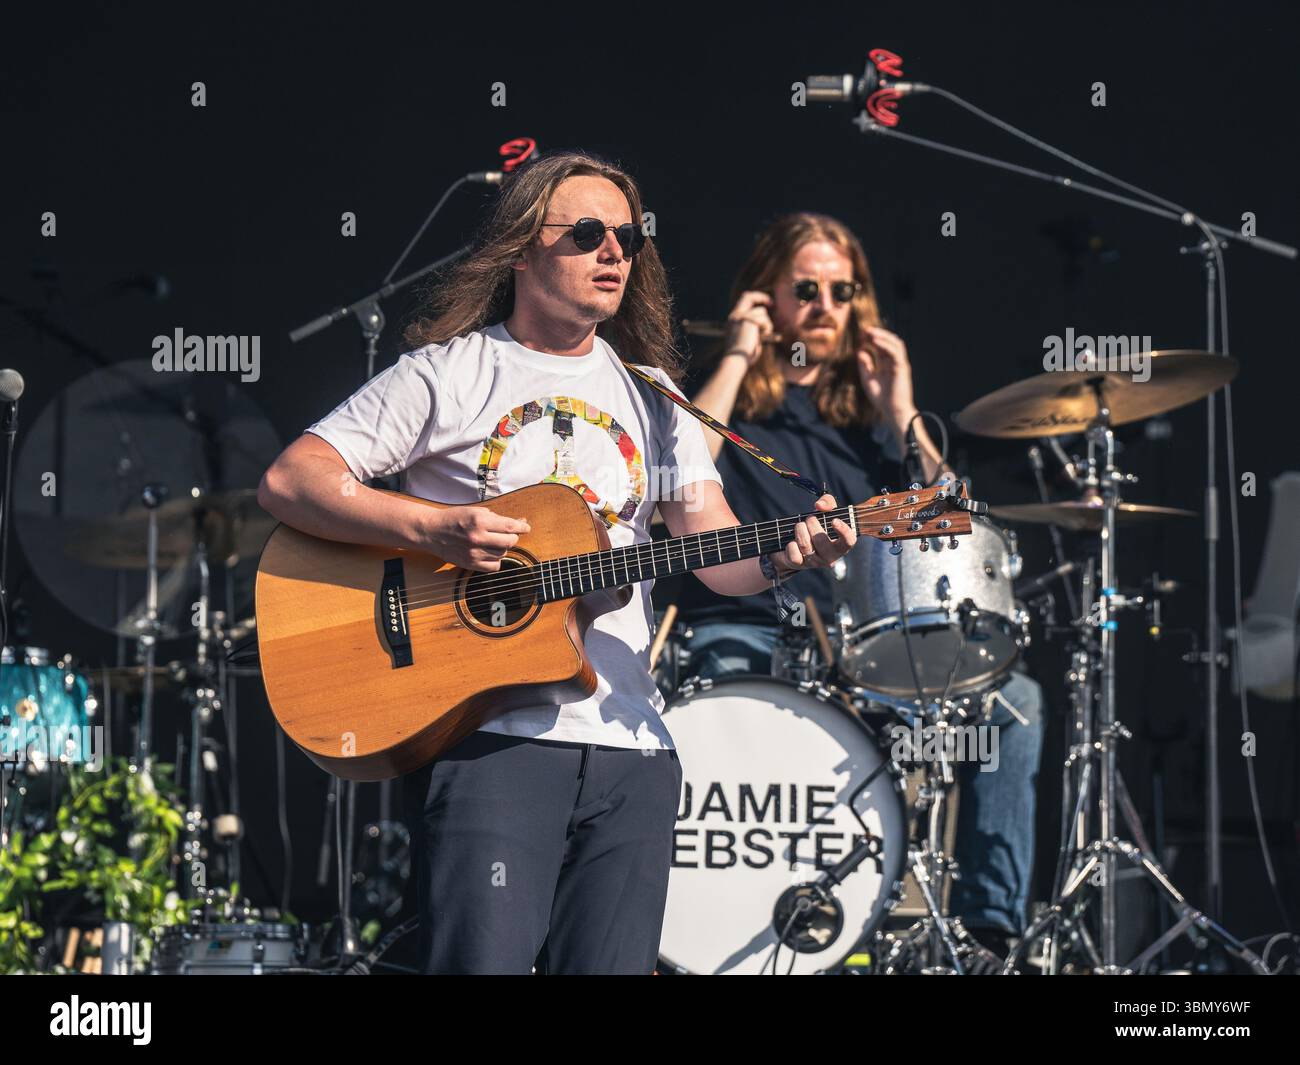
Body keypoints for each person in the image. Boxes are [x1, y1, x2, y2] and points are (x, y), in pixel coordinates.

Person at [255, 156, 859, 974]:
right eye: (585, 234)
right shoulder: (451, 371)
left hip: (633, 747)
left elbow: (716, 553)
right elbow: (293, 480)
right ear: (520, 251)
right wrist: (435, 529)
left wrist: (787, 555)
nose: (614, 251)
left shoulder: (655, 395)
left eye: (628, 236)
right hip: (496, 742)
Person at [674, 213, 1045, 958]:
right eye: (804, 289)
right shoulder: (726, 400)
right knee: (718, 683)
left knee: (1016, 702)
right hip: (738, 634)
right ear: (764, 297)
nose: (825, 307)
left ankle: (986, 932)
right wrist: (739, 355)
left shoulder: (871, 428)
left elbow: (954, 526)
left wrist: (902, 409)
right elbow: (678, 472)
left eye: (843, 292)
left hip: (859, 665)